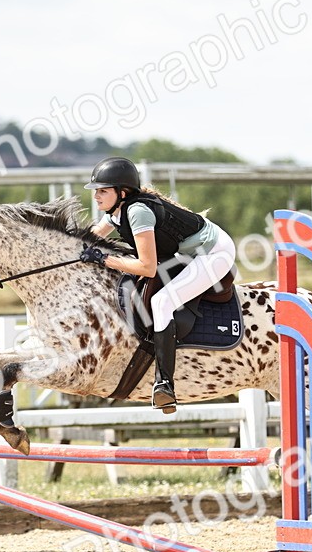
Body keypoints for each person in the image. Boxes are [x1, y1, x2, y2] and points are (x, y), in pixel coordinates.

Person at [79, 156, 236, 413]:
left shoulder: (137, 211)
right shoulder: (114, 213)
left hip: (213, 254)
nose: (96, 196)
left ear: (122, 192)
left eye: (103, 191)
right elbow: (90, 239)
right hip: (186, 252)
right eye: (96, 190)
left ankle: (164, 384)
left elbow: (147, 267)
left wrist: (106, 259)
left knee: (161, 301)